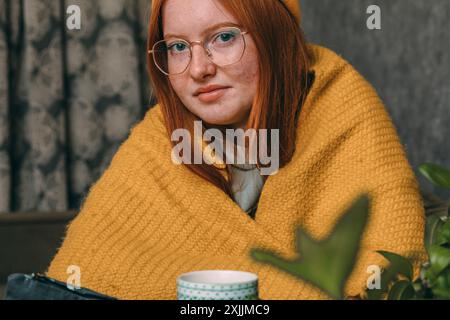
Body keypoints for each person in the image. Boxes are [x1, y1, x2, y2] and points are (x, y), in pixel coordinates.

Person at [42, 0, 427, 300]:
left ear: (274, 35)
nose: (198, 69)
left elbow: (390, 262)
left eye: (223, 37)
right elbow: (79, 274)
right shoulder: (157, 138)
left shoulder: (341, 106)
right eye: (178, 47)